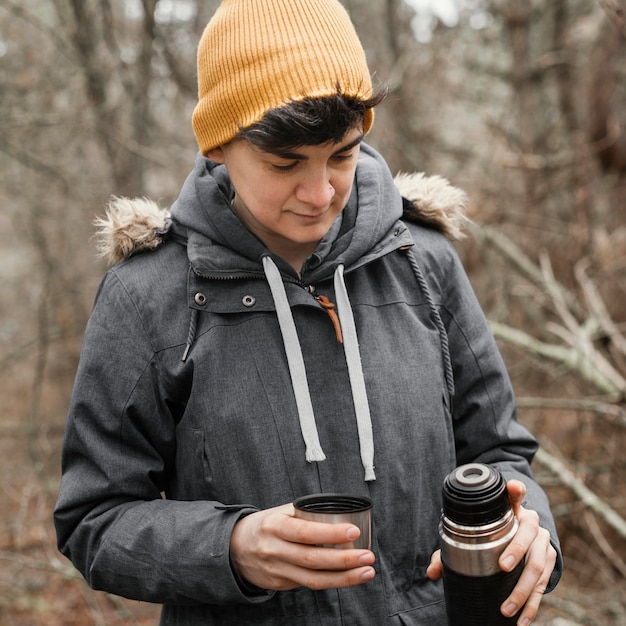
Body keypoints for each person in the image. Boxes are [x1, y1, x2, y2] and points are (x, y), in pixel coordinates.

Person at [54, 0, 562, 624]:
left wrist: (530, 524)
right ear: (218, 145)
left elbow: (502, 454)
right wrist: (230, 548)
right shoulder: (146, 296)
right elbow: (93, 520)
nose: (320, 193)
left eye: (342, 155)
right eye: (285, 163)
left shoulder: (422, 261)